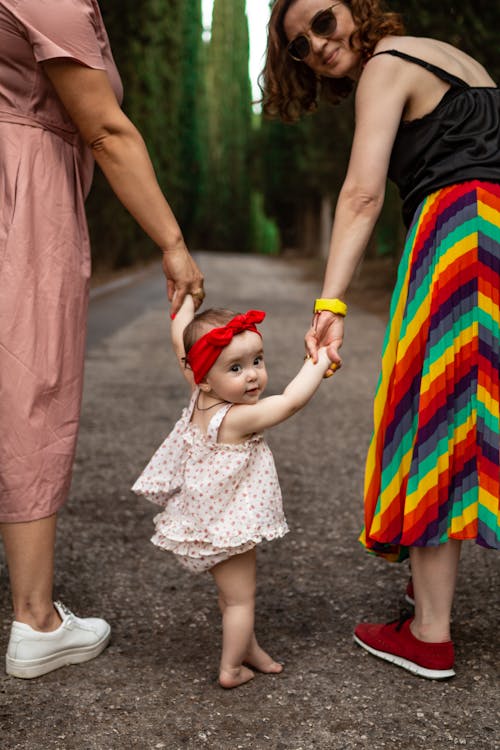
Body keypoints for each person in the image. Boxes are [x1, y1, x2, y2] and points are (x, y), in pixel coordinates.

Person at [262, 0, 499, 679]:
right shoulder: (456, 58)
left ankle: (428, 633)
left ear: (356, 7)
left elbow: (361, 194)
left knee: (434, 417)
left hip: (457, 235)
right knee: (475, 413)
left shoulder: (385, 67)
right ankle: (426, 592)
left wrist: (330, 302)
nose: (317, 45)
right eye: (301, 45)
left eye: (324, 21)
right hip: (495, 234)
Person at [0, 0, 205, 679]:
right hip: (24, 195)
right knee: (30, 386)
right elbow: (108, 130)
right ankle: (35, 621)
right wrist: (173, 244)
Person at [132, 294, 335, 688]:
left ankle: (249, 650)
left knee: (230, 596)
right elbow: (291, 402)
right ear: (206, 376)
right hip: (227, 526)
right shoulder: (238, 418)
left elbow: (180, 341)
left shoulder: (200, 392)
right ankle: (230, 669)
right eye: (236, 368)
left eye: (257, 361)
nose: (253, 376)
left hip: (210, 520)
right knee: (241, 600)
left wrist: (185, 305)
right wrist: (323, 358)